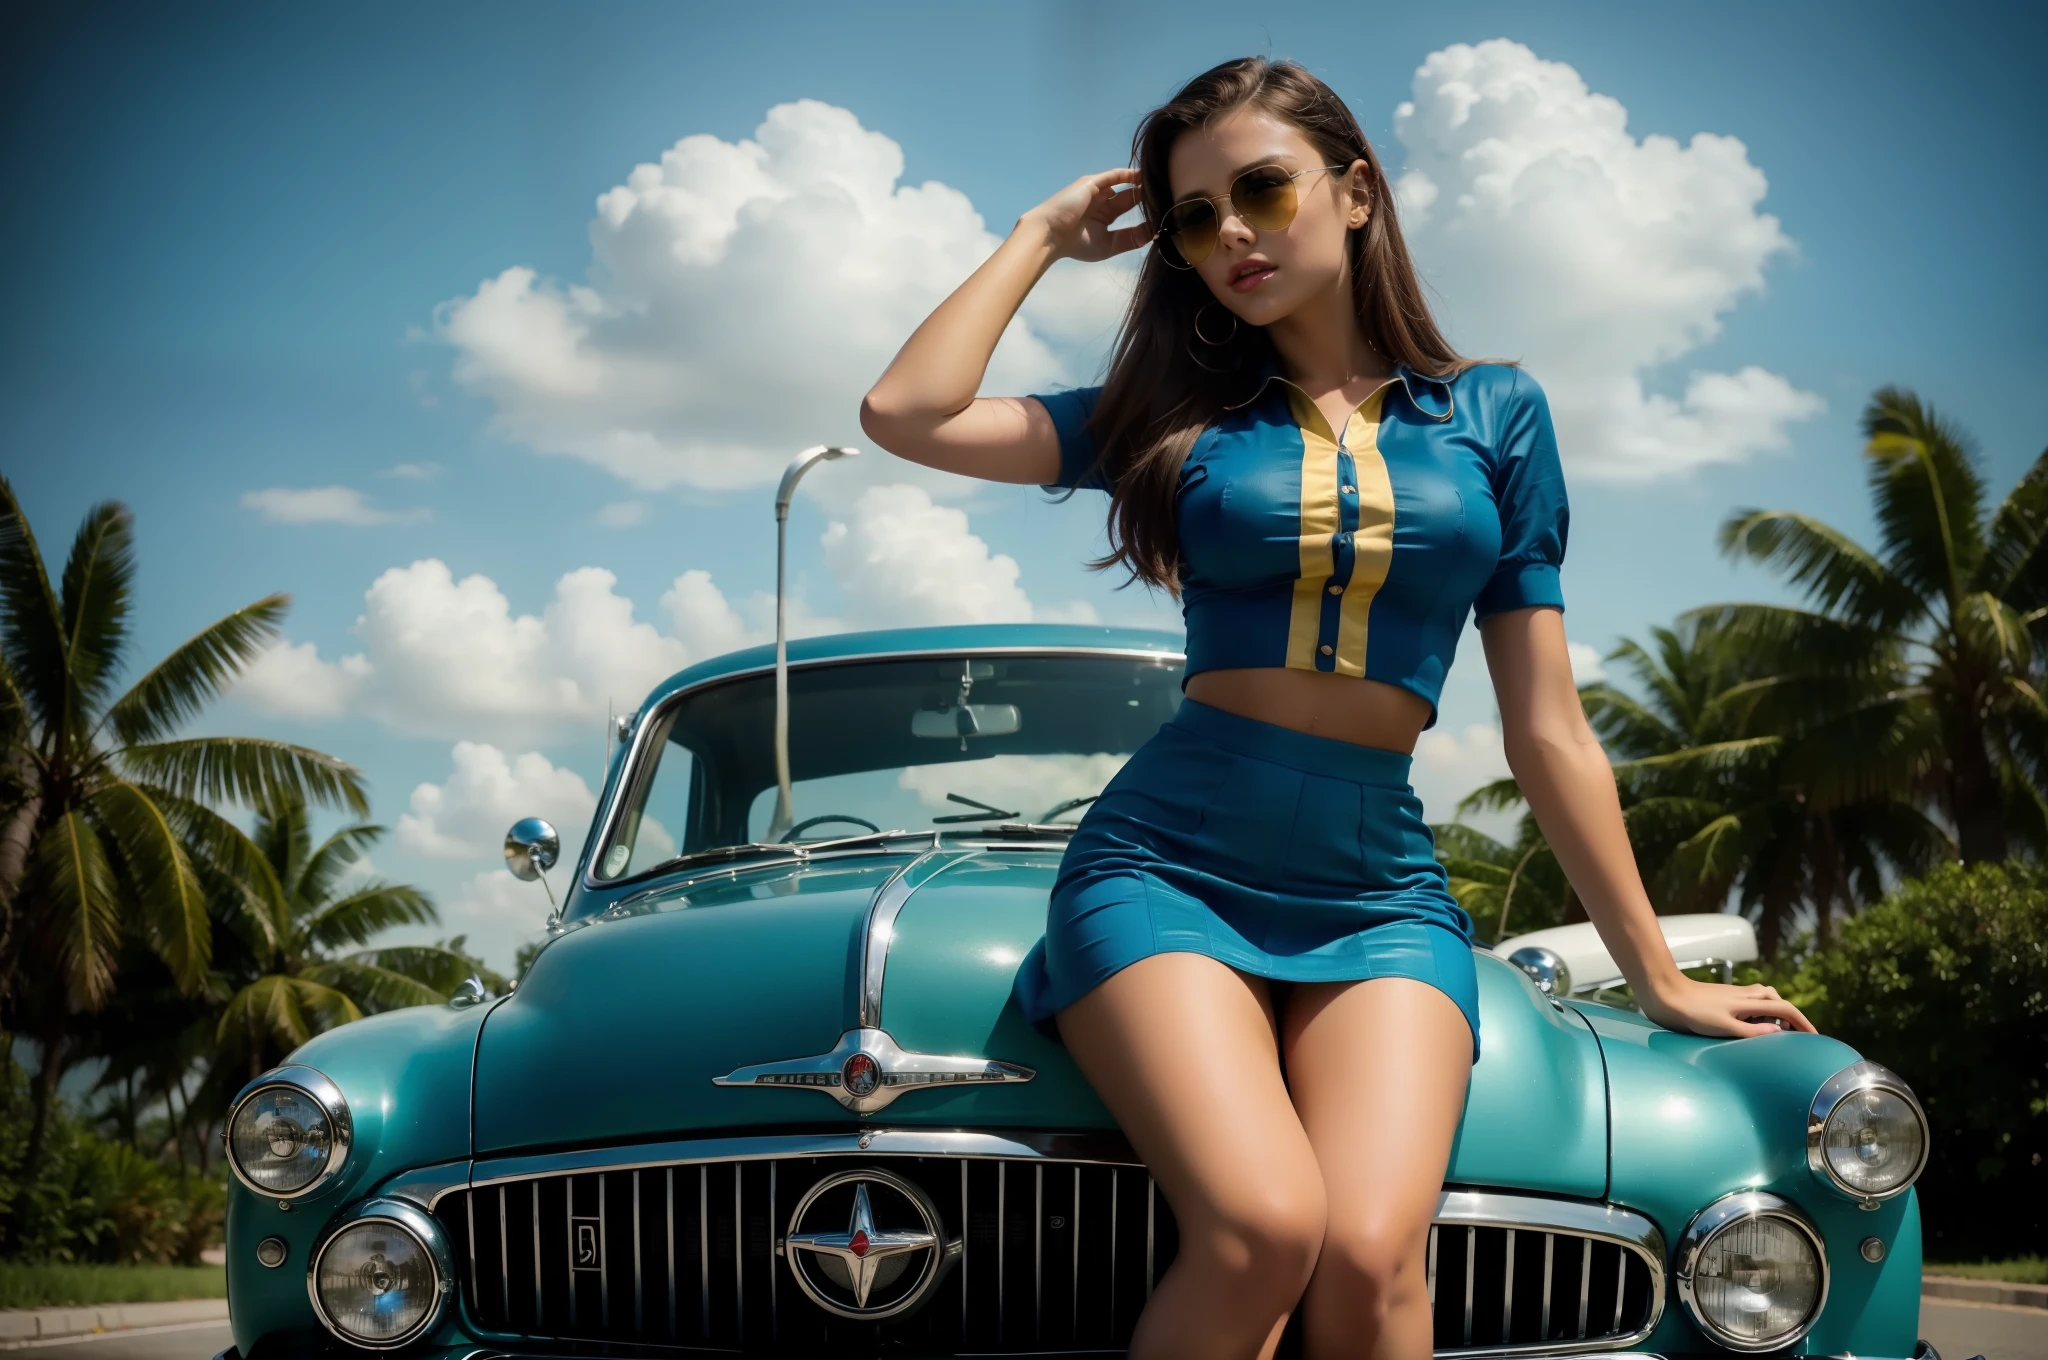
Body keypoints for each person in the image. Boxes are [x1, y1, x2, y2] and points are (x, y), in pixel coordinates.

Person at [860, 56, 1816, 1360]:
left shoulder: (1497, 413)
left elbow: (1546, 727)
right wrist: (1040, 236)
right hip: (1165, 870)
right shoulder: (1169, 419)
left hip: (1377, 888)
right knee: (1261, 1231)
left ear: (1357, 189)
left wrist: (1656, 975)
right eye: (1197, 217)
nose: (1232, 234)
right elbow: (904, 412)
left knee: (1372, 1262)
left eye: (1263, 189)